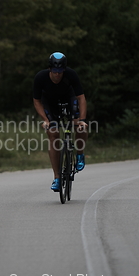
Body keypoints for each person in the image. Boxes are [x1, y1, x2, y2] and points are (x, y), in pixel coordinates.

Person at [33, 52, 88, 191]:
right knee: (53, 134)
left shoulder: (71, 75)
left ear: (64, 69)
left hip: (69, 100)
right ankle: (57, 178)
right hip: (50, 104)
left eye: (60, 71)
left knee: (81, 127)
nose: (57, 74)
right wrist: (45, 120)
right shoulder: (40, 77)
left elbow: (81, 98)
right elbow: (37, 101)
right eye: (55, 71)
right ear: (50, 69)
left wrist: (82, 120)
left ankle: (80, 153)